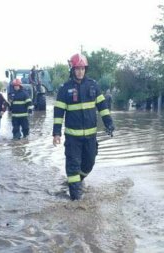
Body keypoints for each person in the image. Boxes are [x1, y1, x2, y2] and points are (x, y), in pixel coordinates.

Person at [52, 53, 115, 200]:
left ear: (85, 69)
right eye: (77, 69)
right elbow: (58, 113)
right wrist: (56, 134)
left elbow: (103, 107)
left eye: (82, 68)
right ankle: (76, 201)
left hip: (90, 137)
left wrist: (109, 123)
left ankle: (76, 182)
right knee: (73, 166)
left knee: (89, 164)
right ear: (72, 70)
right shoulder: (64, 89)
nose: (80, 72)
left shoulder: (93, 86)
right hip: (73, 138)